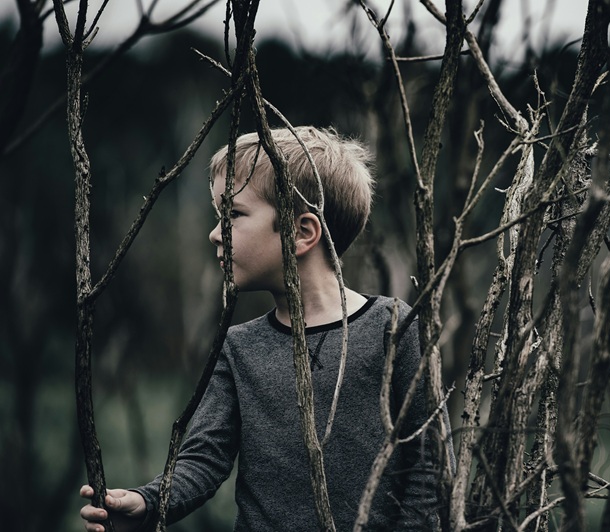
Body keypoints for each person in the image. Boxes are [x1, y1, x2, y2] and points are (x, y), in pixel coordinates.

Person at [79, 127, 450, 531]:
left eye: (233, 215)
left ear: (302, 232)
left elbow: (427, 465)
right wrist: (147, 501)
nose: (215, 233)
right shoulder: (239, 348)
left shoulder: (394, 328)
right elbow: (204, 458)